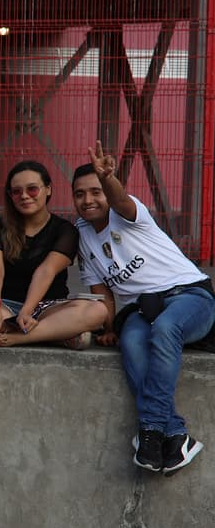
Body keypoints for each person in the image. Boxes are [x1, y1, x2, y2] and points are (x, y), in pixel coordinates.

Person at [73, 143, 212, 475]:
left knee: (165, 329)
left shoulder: (128, 213)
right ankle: (176, 434)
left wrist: (109, 179)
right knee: (131, 341)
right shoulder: (82, 235)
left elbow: (119, 198)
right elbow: (101, 290)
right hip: (141, 310)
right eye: (80, 194)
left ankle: (149, 430)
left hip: (190, 296)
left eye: (96, 191)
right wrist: (108, 328)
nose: (88, 199)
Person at [0, 160, 108, 349]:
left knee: (98, 310)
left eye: (32, 189)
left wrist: (27, 311)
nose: (24, 196)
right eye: (17, 192)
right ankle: (57, 335)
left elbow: (47, 270)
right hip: (7, 308)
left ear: (48, 189)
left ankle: (10, 339)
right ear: (10, 196)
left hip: (50, 308)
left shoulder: (65, 230)